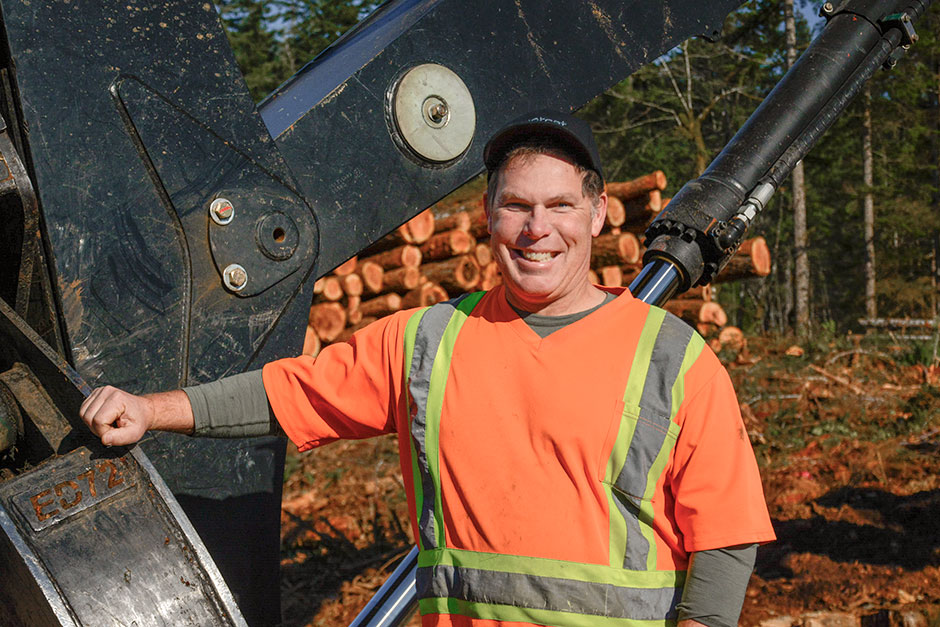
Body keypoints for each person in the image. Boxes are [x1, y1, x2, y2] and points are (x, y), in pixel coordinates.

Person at [81, 111, 775, 627]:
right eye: (517, 205)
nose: (539, 229)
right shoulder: (431, 340)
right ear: (487, 215)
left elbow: (724, 536)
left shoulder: (674, 359)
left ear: (597, 213)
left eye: (561, 205)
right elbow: (295, 391)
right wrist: (152, 409)